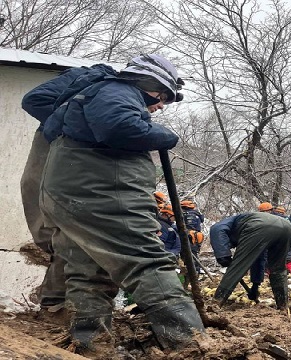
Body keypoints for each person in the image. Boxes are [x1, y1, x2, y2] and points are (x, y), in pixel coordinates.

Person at [38, 54, 205, 352]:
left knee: (88, 270)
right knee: (146, 260)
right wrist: (165, 135)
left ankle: (92, 345)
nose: (162, 104)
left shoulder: (98, 93)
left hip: (76, 191)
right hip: (102, 193)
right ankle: (192, 347)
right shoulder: (117, 90)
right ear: (149, 83)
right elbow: (119, 127)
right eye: (163, 96)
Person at [21, 64, 117, 311]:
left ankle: (56, 303)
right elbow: (34, 100)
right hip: (54, 151)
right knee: (58, 232)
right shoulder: (94, 77)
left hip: (76, 163)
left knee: (70, 235)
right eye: (161, 98)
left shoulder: (116, 98)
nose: (160, 106)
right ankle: (56, 304)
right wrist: (74, 126)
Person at [209, 212, 291, 308]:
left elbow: (216, 229)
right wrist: (255, 286)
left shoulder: (227, 224)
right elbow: (258, 259)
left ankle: (216, 302)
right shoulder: (245, 224)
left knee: (237, 266)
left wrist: (223, 255)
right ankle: (283, 305)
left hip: (260, 226)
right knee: (278, 268)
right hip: (288, 227)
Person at [181, 199, 205, 273]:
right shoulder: (197, 214)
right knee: (193, 253)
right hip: (196, 237)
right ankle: (195, 270)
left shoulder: (189, 215)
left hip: (191, 237)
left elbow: (189, 227)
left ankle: (194, 272)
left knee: (190, 254)